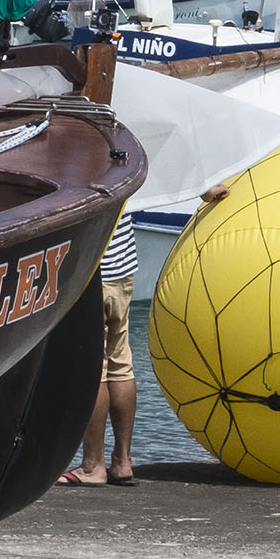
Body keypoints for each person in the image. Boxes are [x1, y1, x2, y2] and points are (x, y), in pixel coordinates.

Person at [61, 185, 231, 486]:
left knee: (92, 370)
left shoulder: (86, 151)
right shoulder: (121, 150)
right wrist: (202, 190)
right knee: (120, 363)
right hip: (123, 271)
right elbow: (160, 174)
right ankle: (123, 462)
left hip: (91, 271)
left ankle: (92, 465)